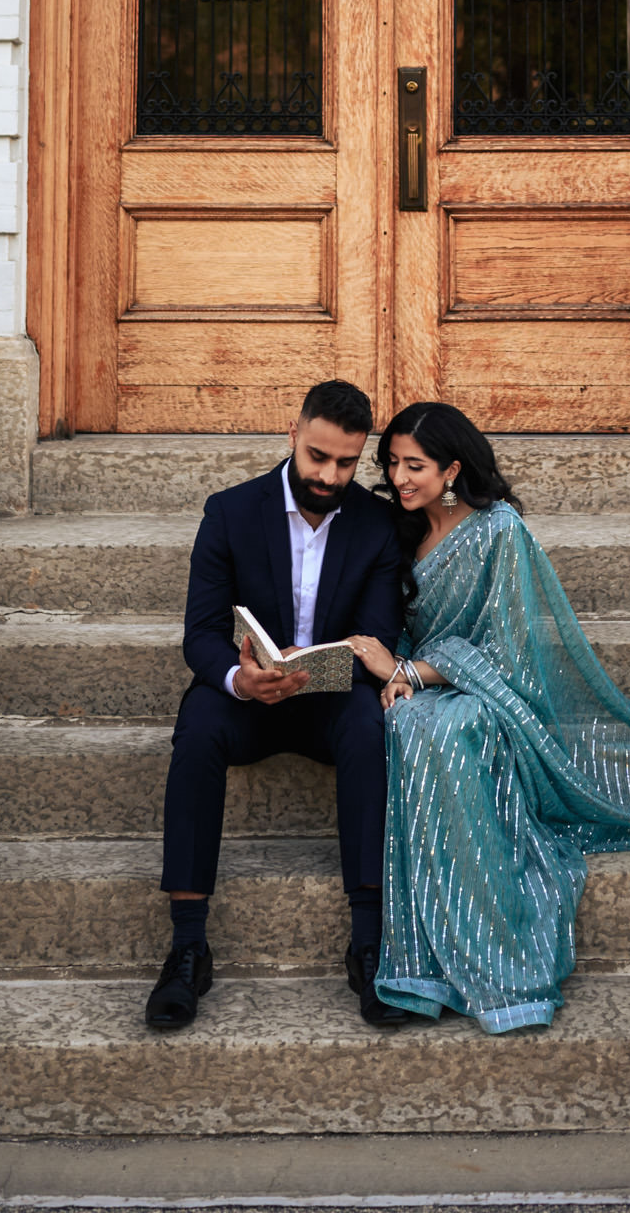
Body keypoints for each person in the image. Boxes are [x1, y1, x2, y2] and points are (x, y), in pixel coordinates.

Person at [347, 401, 630, 1034]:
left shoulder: (496, 530)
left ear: (452, 469)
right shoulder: (393, 529)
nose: (399, 477)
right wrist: (392, 669)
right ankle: (431, 958)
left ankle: (499, 958)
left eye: (416, 466)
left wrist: (411, 674)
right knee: (411, 726)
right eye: (393, 464)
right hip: (417, 687)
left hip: (487, 690)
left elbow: (507, 648)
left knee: (447, 729)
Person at [145, 377, 408, 1032]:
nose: (328, 474)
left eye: (346, 463)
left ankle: (368, 945)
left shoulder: (378, 526)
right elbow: (200, 634)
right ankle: (186, 946)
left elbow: (378, 636)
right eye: (318, 456)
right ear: (292, 435)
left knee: (368, 723)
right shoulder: (230, 512)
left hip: (330, 698)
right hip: (249, 699)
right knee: (198, 724)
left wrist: (327, 662)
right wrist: (241, 680)